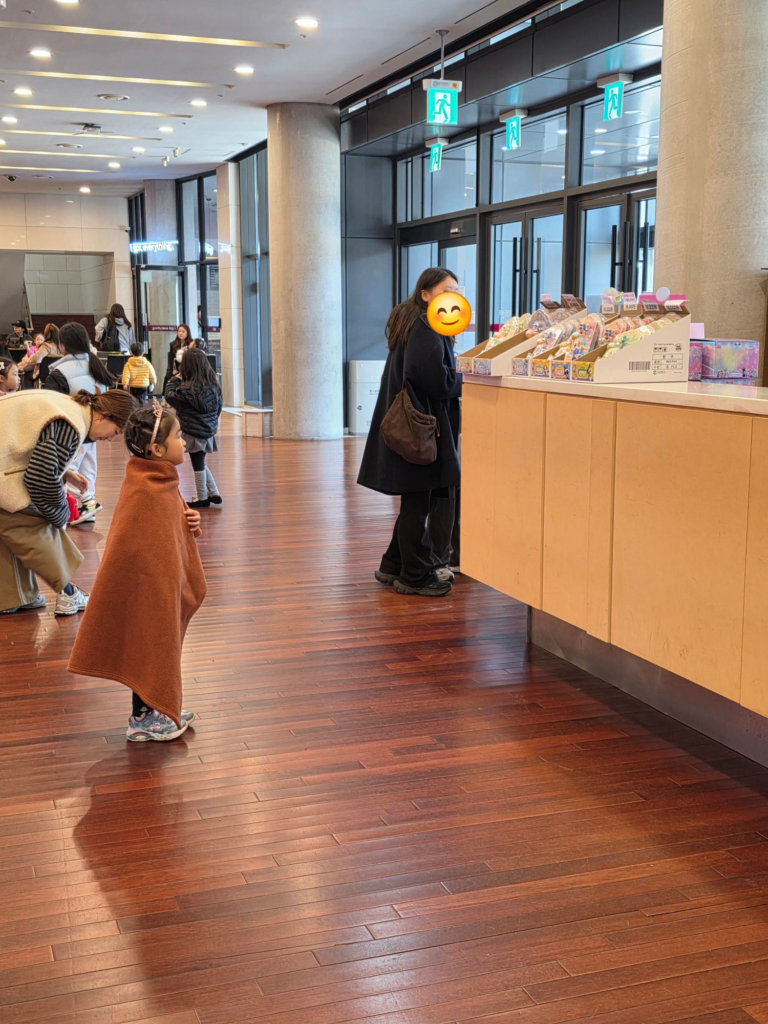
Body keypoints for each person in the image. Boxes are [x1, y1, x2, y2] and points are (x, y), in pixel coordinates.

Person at [68, 402, 206, 742]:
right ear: (156, 449)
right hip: (147, 583)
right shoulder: (146, 487)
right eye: (178, 436)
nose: (184, 441)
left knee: (155, 637)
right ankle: (144, 717)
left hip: (157, 580)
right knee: (150, 637)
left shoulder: (158, 479)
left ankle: (156, 707)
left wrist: (190, 521)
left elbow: (170, 524)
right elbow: (140, 541)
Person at [357, 267, 462, 598]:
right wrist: (466, 379)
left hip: (409, 424)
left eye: (457, 290)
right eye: (448, 290)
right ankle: (414, 575)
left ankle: (393, 564)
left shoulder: (411, 321)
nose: (455, 296)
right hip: (422, 428)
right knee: (419, 500)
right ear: (426, 294)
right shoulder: (425, 327)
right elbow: (437, 380)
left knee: (415, 499)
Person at [0, 388, 137, 616]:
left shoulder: (71, 408)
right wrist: (61, 514)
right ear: (103, 414)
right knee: (30, 523)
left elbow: (36, 449)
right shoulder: (71, 425)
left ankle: (14, 597)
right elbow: (39, 479)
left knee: (8, 526)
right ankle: (68, 592)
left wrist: (65, 473)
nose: (111, 439)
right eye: (115, 431)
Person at [44, 321, 115, 526]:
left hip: (70, 432)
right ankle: (88, 507)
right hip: (94, 429)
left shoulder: (59, 373)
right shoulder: (96, 366)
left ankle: (69, 510)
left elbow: (51, 404)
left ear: (62, 346)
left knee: (67, 470)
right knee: (88, 469)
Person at [164, 348, 223, 509]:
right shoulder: (214, 385)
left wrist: (174, 380)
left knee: (197, 462)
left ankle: (202, 497)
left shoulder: (185, 389)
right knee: (200, 460)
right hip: (208, 429)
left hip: (192, 430)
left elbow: (170, 397)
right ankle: (213, 492)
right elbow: (218, 409)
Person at [164, 323, 191, 393]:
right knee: (168, 377)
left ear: (187, 333)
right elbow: (171, 359)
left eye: (183, 331)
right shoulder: (173, 344)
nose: (181, 333)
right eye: (179, 331)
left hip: (187, 368)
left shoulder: (191, 344)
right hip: (176, 368)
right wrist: (173, 370)